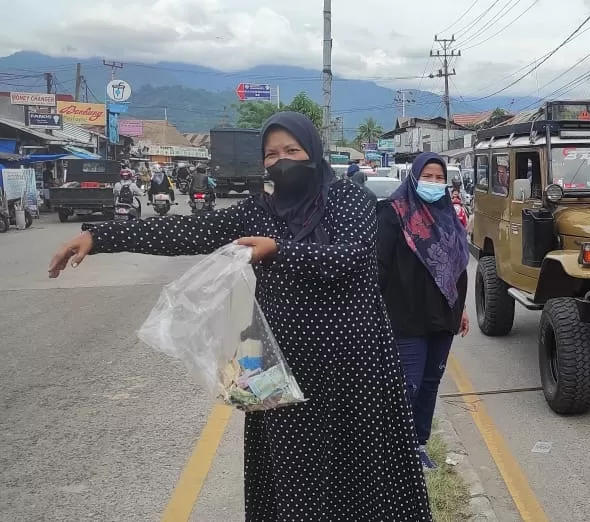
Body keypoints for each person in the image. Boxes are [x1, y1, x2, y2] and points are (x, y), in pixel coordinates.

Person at [47, 112, 431, 521]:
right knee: (294, 482)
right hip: (280, 374)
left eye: (291, 151)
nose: (280, 161)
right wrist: (100, 236)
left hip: (354, 371)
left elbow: (353, 256)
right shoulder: (258, 211)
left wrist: (278, 250)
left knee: (360, 478)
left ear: (313, 153)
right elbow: (184, 232)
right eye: (271, 154)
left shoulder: (350, 201)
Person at [376, 152, 470, 471]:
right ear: (414, 178)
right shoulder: (393, 213)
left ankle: (417, 445)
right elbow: (379, 266)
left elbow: (459, 267)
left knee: (430, 382)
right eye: (427, 176)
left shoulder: (450, 218)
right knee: (408, 384)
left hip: (444, 316)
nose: (433, 182)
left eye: (439, 177)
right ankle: (395, 450)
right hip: (406, 317)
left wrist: (463, 309)